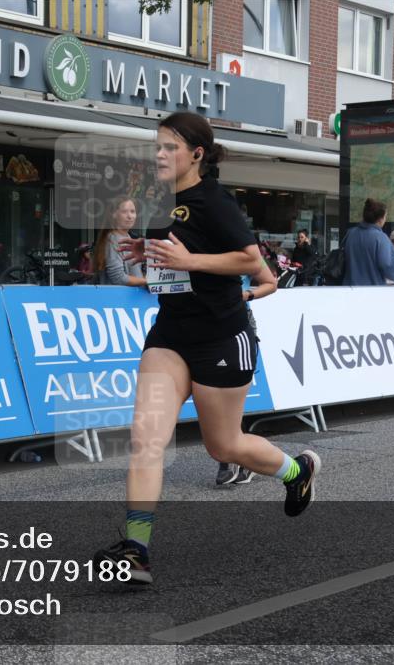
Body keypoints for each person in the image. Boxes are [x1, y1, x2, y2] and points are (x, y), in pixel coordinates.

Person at [93, 112, 321, 584]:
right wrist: (149, 253)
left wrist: (190, 259)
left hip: (221, 335)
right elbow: (175, 259)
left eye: (169, 147)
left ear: (196, 154)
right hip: (170, 335)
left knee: (224, 445)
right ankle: (136, 550)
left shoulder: (215, 201)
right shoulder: (160, 201)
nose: (159, 154)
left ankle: (296, 471)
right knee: (146, 438)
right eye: (157, 146)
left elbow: (251, 262)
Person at [216, 231, 278, 486]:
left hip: (239, 324)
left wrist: (247, 294)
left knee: (230, 397)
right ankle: (230, 459)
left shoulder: (245, 251)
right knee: (214, 395)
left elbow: (271, 282)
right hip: (206, 326)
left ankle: (235, 461)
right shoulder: (200, 249)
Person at [342, 199, 394, 286]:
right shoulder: (381, 238)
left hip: (348, 288)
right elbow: (393, 271)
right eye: (385, 217)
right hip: (372, 290)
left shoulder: (350, 233)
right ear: (380, 219)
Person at [94, 196, 146, 287]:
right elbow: (118, 278)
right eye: (124, 212)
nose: (129, 216)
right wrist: (147, 281)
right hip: (118, 296)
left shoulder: (128, 237)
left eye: (132, 211)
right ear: (114, 214)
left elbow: (135, 274)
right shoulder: (112, 239)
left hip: (135, 295)